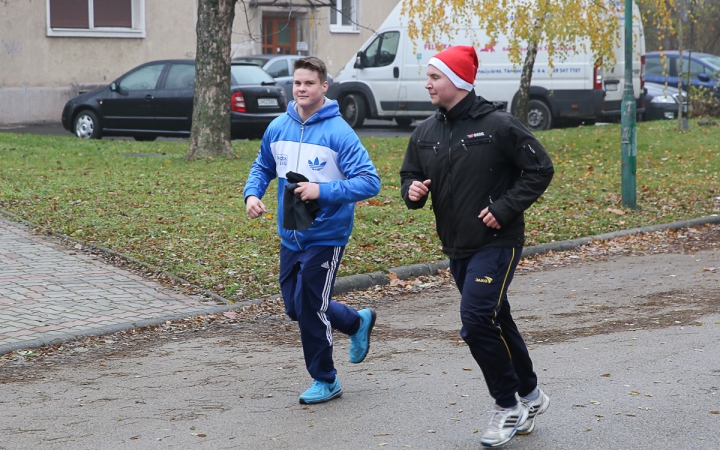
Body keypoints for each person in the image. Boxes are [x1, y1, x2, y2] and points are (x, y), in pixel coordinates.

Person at [399, 46, 554, 447]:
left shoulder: (499, 124)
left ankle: (507, 405)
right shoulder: (425, 132)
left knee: (475, 321)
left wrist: (504, 207)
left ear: (459, 81)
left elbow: (540, 168)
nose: (428, 83)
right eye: (428, 76)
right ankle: (532, 396)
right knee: (497, 319)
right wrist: (412, 191)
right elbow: (410, 176)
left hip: (498, 242)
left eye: (435, 77)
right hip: (458, 245)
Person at [244, 57, 381, 405]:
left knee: (309, 305)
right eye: (297, 83)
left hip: (326, 235)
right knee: (295, 306)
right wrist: (252, 194)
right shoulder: (278, 127)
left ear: (324, 87)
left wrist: (322, 191)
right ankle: (355, 322)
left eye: (309, 83)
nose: (301, 89)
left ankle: (326, 379)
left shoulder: (339, 133)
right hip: (290, 234)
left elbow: (369, 182)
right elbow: (262, 165)